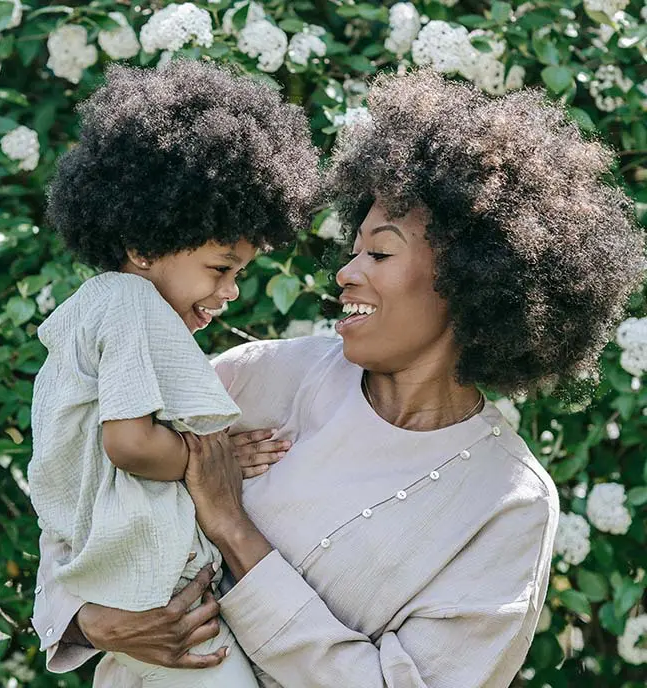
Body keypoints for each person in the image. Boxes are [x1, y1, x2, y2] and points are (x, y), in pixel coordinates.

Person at [32, 70, 645, 687]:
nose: (345, 274)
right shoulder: (256, 379)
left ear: (474, 280)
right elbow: (80, 491)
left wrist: (233, 528)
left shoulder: (509, 505)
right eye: (353, 251)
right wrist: (90, 620)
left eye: (379, 253)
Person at [28, 60, 321, 686]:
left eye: (239, 273)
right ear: (144, 248)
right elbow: (130, 445)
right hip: (167, 611)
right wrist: (207, 460)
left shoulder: (95, 311)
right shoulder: (131, 303)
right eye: (221, 269)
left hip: (128, 607)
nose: (231, 291)